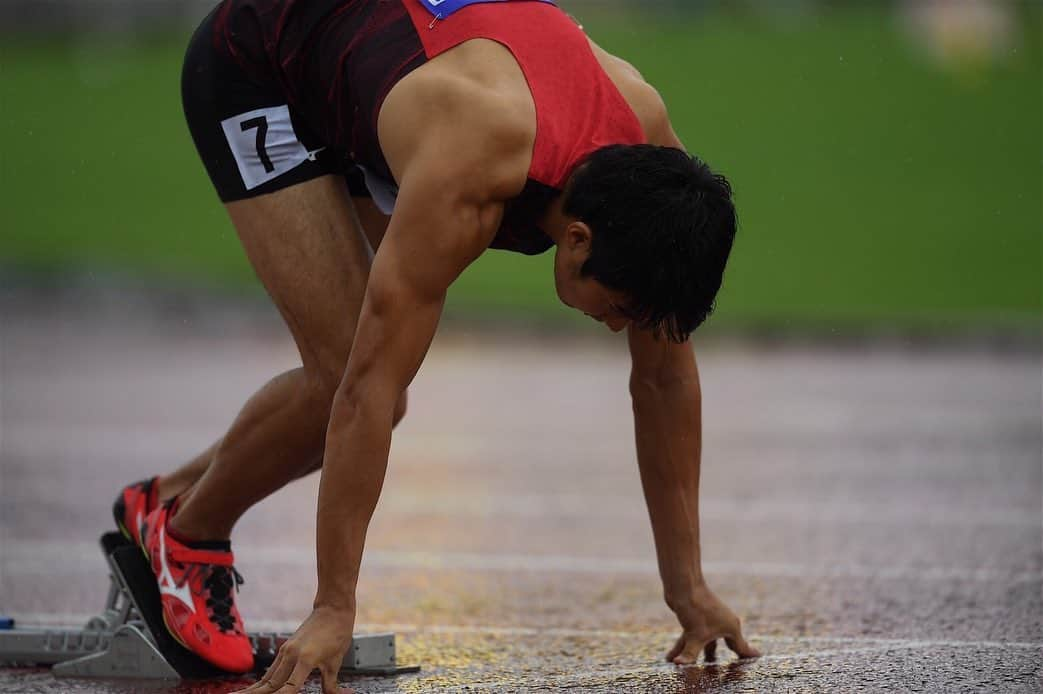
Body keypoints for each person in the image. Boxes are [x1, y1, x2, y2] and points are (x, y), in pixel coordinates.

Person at [111, 0, 760, 691]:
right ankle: (186, 532)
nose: (617, 327)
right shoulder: (470, 173)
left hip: (381, 73)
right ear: (576, 239)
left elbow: (663, 381)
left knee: (364, 375)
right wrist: (334, 607)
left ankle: (167, 496)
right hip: (263, 63)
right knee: (346, 374)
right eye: (621, 311)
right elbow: (368, 389)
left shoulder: (651, 151)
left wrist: (686, 585)